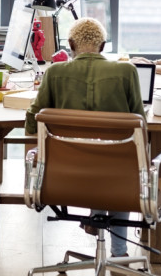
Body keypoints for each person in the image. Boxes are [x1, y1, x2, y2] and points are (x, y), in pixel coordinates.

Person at [25, 18, 144, 259]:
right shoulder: (127, 71)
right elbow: (140, 126)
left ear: (70, 44)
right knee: (120, 163)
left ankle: (95, 216)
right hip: (118, 176)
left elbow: (31, 123)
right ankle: (119, 252)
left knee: (94, 159)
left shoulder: (55, 72)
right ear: (102, 46)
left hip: (67, 176)